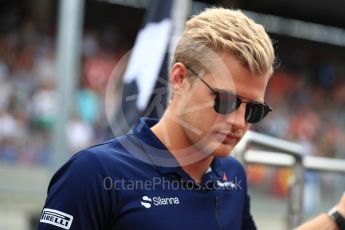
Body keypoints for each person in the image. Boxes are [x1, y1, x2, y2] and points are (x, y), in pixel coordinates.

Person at [37, 7, 343, 230]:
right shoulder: (92, 173)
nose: (239, 122)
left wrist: (338, 216)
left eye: (253, 110)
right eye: (224, 101)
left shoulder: (232, 175)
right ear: (180, 78)